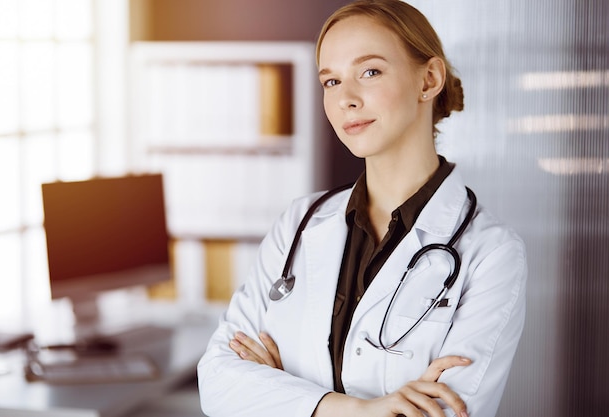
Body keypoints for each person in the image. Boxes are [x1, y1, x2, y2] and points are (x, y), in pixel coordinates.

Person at [197, 1, 527, 416]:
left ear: (429, 79)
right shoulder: (298, 223)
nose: (345, 99)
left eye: (369, 72)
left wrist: (279, 394)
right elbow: (217, 382)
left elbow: (444, 412)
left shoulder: (491, 254)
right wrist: (359, 409)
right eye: (331, 81)